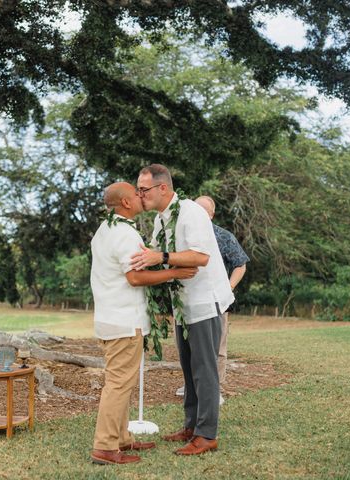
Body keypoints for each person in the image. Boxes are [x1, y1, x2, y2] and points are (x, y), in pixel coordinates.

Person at [90, 182, 197, 465]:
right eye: (136, 194)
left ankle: (121, 438)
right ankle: (104, 447)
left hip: (109, 318)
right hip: (123, 322)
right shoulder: (124, 233)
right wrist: (174, 272)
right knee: (118, 384)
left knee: (120, 382)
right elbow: (135, 277)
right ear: (126, 203)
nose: (141, 197)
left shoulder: (105, 230)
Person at [131, 165, 234, 456]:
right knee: (188, 371)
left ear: (163, 188)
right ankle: (191, 425)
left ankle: (206, 434)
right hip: (184, 306)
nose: (140, 194)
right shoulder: (160, 220)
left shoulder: (191, 212)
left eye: (144, 189)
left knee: (205, 371)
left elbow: (200, 257)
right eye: (138, 189)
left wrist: (161, 256)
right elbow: (153, 253)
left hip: (205, 302)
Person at [194, 195, 249, 404]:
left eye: (203, 211)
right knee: (192, 347)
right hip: (192, 302)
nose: (198, 214)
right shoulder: (184, 236)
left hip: (217, 302)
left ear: (211, 214)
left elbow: (240, 264)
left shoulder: (223, 237)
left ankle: (214, 389)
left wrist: (229, 286)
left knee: (218, 347)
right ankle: (193, 385)